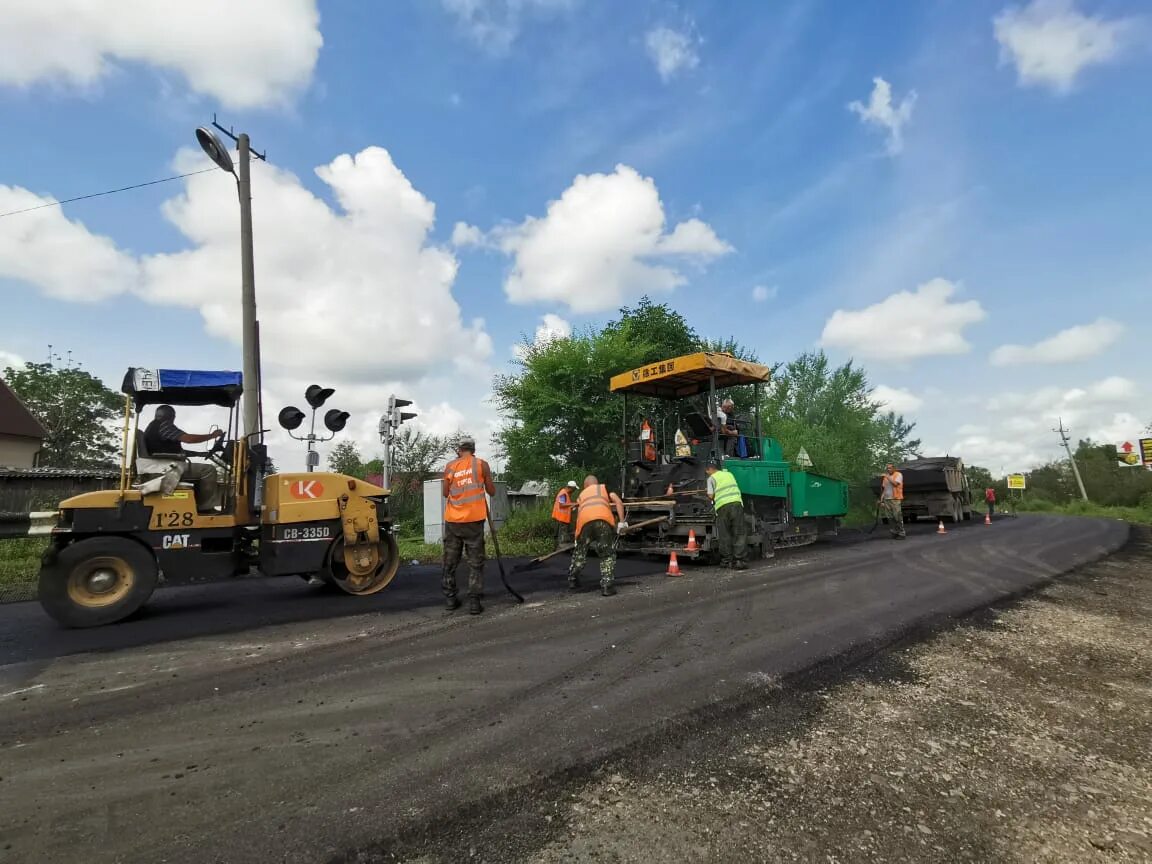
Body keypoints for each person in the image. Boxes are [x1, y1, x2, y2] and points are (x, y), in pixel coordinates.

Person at [441, 435, 496, 615]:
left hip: (453, 521)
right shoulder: (481, 464)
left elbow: (445, 493)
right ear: (473, 449)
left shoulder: (450, 466)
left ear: (459, 450)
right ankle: (474, 602)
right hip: (474, 520)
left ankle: (450, 598)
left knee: (450, 561)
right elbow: (492, 491)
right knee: (475, 562)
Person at [142, 405, 224, 512]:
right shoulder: (164, 426)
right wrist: (212, 436)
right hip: (166, 467)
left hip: (161, 464)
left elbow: (174, 453)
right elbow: (188, 439)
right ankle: (205, 508)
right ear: (171, 416)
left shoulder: (153, 427)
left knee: (201, 470)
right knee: (209, 470)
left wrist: (199, 454)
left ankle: (195, 504)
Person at [568, 475, 627, 597]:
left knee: (580, 554)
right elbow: (618, 501)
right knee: (607, 554)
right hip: (603, 521)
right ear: (596, 483)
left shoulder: (582, 495)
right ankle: (607, 586)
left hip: (584, 523)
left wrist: (577, 537)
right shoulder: (603, 489)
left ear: (586, 485)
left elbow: (579, 515)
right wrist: (621, 522)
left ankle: (573, 579)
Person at [706, 460, 748, 569]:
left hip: (722, 507)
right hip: (736, 504)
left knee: (725, 534)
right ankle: (739, 561)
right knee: (739, 533)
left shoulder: (711, 479)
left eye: (707, 471)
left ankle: (727, 561)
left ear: (710, 469)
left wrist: (709, 492)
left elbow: (710, 496)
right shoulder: (729, 474)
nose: (707, 473)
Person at [880, 463, 905, 539]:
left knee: (897, 516)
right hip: (887, 499)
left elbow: (895, 484)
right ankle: (894, 532)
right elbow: (884, 490)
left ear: (894, 468)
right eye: (887, 468)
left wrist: (887, 477)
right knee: (890, 517)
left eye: (890, 468)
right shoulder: (885, 478)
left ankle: (901, 533)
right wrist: (881, 500)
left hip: (895, 499)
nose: (888, 469)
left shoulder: (898, 475)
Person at [552, 480, 579, 548]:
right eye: (574, 489)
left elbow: (566, 506)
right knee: (562, 536)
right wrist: (574, 503)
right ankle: (559, 550)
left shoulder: (565, 494)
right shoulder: (563, 493)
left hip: (561, 518)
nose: (574, 491)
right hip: (561, 519)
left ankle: (557, 549)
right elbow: (562, 505)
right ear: (571, 488)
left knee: (559, 535)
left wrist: (572, 506)